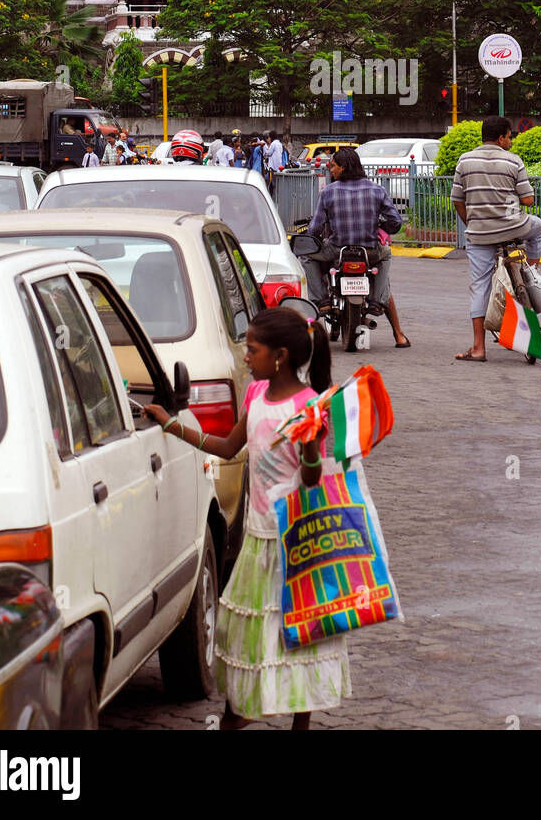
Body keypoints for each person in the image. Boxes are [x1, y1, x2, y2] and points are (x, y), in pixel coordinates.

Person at [144, 308, 350, 729]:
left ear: (280, 355)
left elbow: (311, 478)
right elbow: (225, 447)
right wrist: (172, 425)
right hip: (257, 542)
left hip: (297, 545)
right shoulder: (256, 395)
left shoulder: (309, 407)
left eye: (252, 350)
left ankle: (296, 720)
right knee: (251, 639)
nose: (244, 356)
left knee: (299, 635)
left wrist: (310, 446)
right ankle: (240, 712)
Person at [450, 115, 541, 362]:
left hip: (479, 234)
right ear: (502, 137)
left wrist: (472, 224)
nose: (511, 141)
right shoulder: (513, 161)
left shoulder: (464, 160)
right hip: (514, 228)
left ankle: (478, 348)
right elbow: (528, 200)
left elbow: (457, 200)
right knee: (539, 228)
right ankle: (531, 271)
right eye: (510, 136)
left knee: (479, 287)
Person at [304, 145, 401, 322]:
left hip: (336, 250)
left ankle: (322, 301)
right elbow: (395, 222)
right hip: (369, 251)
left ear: (343, 167)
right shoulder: (377, 190)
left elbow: (315, 229)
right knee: (385, 254)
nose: (331, 170)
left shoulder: (327, 192)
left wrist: (311, 238)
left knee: (306, 256)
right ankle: (378, 301)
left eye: (333, 166)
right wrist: (381, 226)